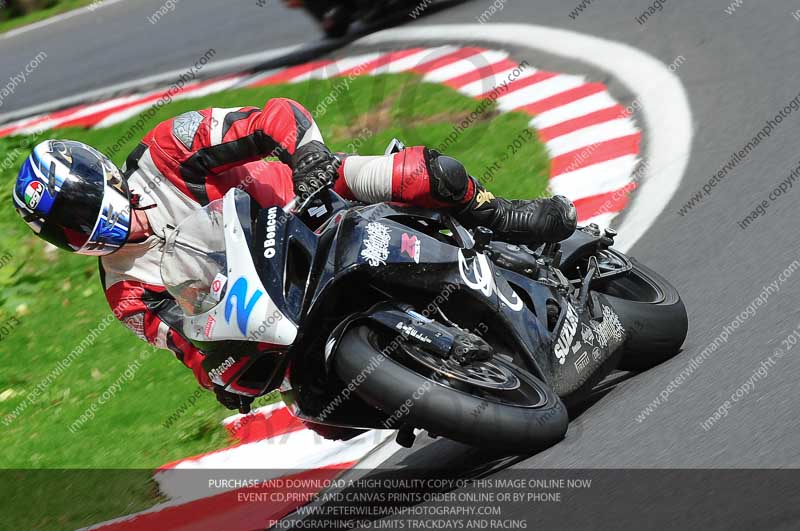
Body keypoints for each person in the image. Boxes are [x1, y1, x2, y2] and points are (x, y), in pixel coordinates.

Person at [12, 98, 576, 414]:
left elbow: (274, 115)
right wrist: (221, 378)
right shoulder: (123, 291)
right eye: (68, 229)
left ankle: (500, 215)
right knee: (320, 413)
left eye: (82, 207)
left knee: (426, 174)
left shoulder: (168, 148)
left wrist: (308, 155)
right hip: (276, 305)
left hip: (313, 201)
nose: (84, 226)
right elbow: (189, 343)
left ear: (103, 176)